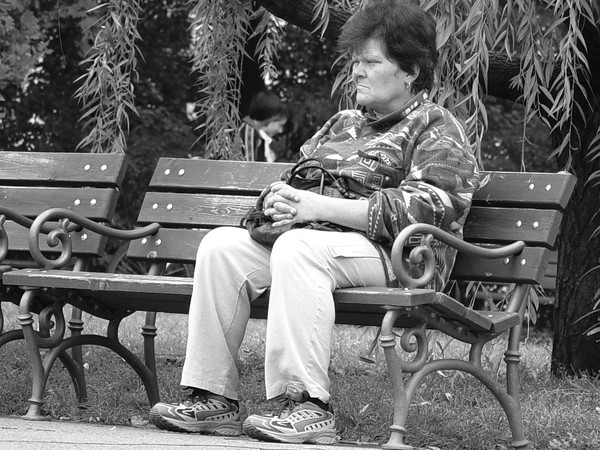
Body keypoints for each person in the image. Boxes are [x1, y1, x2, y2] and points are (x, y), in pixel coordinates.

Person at [149, 0, 480, 445]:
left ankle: (305, 404)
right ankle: (212, 399)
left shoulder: (436, 127)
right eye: (354, 62)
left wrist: (316, 209)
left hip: (401, 257)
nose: (357, 72)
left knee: (298, 248)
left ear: (411, 71)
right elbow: (291, 185)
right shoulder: (342, 124)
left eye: (371, 62)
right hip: (319, 247)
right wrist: (280, 205)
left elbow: (426, 209)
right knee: (222, 246)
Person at [239, 90, 288, 162]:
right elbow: (248, 165)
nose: (273, 119)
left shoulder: (251, 130)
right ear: (269, 114)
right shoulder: (249, 131)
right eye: (274, 115)